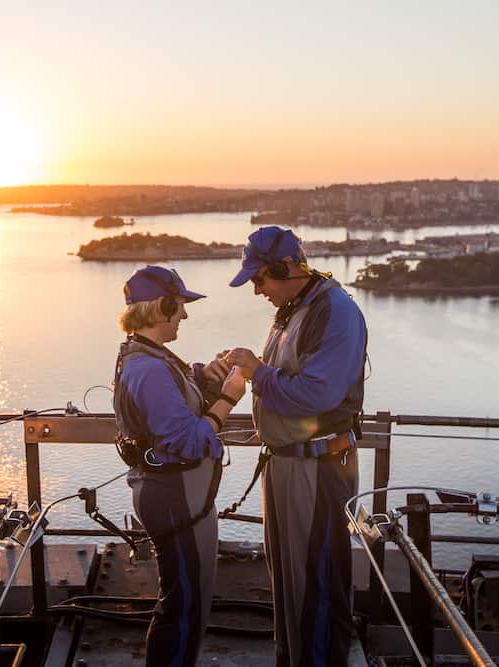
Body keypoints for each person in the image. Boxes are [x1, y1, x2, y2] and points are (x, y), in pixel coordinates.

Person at [213, 226, 367, 666]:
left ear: (284, 269)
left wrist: (256, 371)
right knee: (288, 581)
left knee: (314, 583)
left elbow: (318, 395)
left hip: (316, 467)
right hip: (288, 464)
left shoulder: (334, 311)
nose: (256, 290)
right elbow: (283, 377)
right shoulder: (295, 308)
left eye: (260, 280)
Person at [113, 265, 246, 667]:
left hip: (180, 497)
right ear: (162, 306)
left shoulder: (149, 357)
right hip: (175, 499)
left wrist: (204, 376)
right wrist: (228, 399)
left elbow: (172, 396)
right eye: (180, 306)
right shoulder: (147, 368)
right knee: (182, 605)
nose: (184, 315)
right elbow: (186, 441)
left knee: (191, 598)